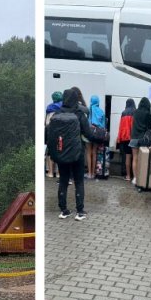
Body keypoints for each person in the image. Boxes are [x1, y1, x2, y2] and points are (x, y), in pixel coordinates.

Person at [46, 88, 97, 221]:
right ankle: (80, 212)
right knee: (79, 181)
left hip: (61, 153)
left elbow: (49, 133)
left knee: (63, 180)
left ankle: (64, 210)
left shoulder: (57, 113)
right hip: (77, 152)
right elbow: (89, 134)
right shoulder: (79, 114)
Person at [130, 97, 151, 185]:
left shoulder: (135, 112)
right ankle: (141, 178)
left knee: (135, 158)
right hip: (143, 140)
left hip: (134, 138)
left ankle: (135, 178)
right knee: (142, 159)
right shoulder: (147, 114)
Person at [44, 91, 63, 178]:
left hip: (50, 132)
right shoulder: (63, 108)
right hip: (60, 133)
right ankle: (59, 173)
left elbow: (46, 122)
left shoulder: (49, 108)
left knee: (50, 152)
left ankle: (51, 172)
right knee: (60, 151)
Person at [117, 98, 136, 181]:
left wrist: (119, 138)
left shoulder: (123, 113)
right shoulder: (135, 112)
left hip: (125, 138)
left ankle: (128, 176)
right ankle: (135, 176)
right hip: (133, 137)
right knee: (135, 157)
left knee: (127, 157)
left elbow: (121, 126)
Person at [88, 94, 107, 177]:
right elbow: (103, 126)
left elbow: (87, 121)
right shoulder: (101, 111)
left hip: (89, 132)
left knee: (88, 152)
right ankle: (94, 173)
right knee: (94, 152)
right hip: (98, 133)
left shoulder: (89, 110)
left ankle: (89, 173)